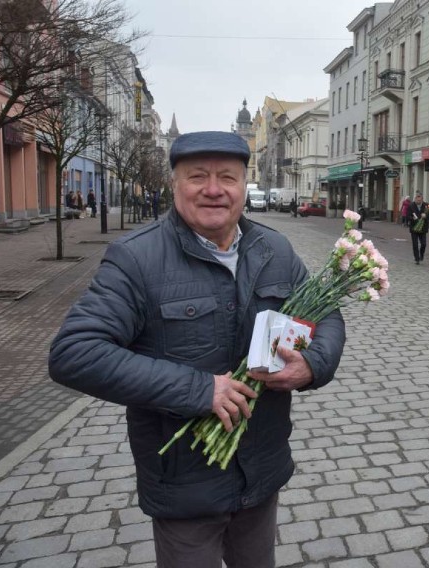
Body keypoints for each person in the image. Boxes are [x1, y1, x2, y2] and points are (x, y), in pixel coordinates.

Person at [48, 131, 346, 568]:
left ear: (244, 186)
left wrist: (312, 365)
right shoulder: (137, 258)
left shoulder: (274, 249)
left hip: (261, 473)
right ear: (174, 185)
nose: (213, 189)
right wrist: (199, 391)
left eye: (227, 177)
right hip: (185, 485)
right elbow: (74, 353)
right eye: (197, 177)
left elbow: (329, 316)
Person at [408, 193, 429, 264]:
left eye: (419, 200)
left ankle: (421, 255)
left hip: (423, 228)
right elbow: (407, 216)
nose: (418, 201)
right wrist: (413, 218)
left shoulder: (426, 206)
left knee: (424, 244)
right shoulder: (411, 206)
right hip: (414, 228)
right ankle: (417, 259)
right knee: (415, 244)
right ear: (415, 199)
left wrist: (425, 216)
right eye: (417, 199)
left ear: (422, 199)